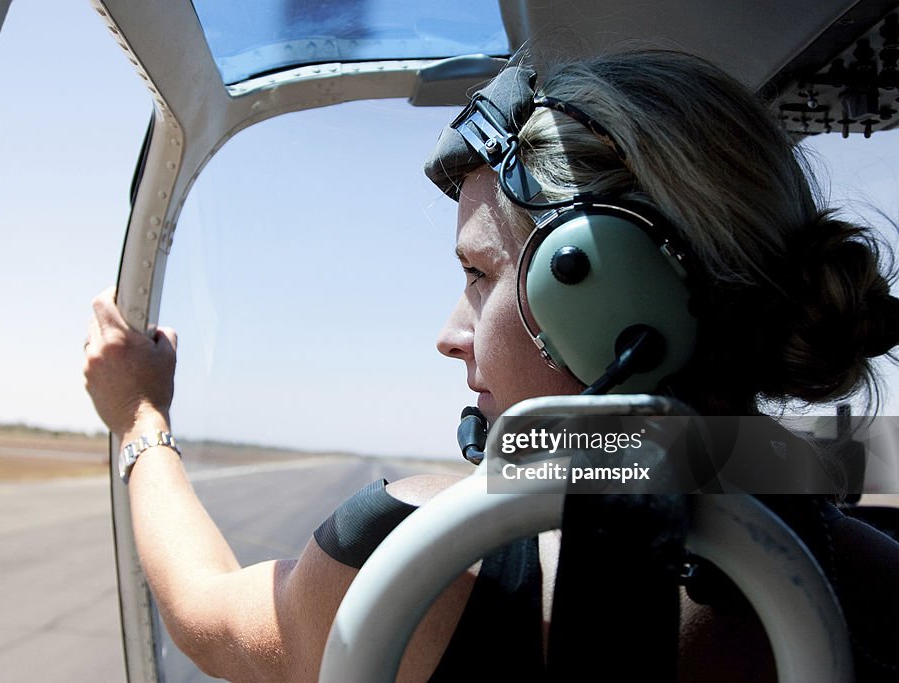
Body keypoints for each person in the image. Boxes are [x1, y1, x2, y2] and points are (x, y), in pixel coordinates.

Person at [84, 49, 899, 682]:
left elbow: (204, 613)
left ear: (611, 290)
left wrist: (139, 417)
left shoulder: (416, 566)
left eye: (478, 275)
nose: (450, 333)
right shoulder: (870, 576)